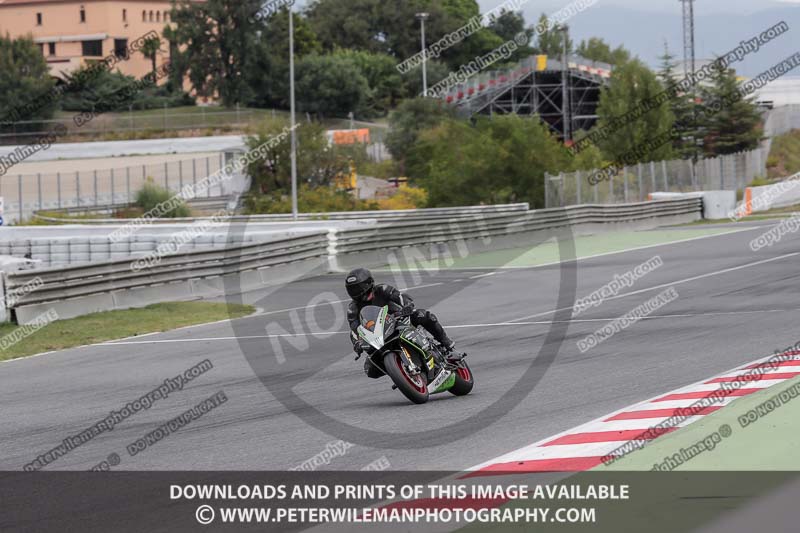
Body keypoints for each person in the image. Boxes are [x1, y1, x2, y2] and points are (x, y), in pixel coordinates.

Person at [345, 267, 463, 378]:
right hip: (379, 336)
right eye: (352, 289)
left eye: (357, 287)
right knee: (370, 369)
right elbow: (355, 329)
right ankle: (400, 372)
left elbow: (399, 296)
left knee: (423, 315)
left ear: (368, 283)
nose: (356, 291)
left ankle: (448, 346)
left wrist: (407, 305)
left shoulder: (382, 289)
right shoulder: (353, 308)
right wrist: (357, 343)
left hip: (400, 320)